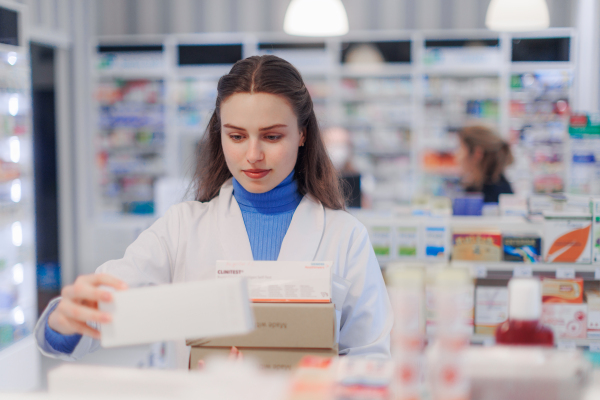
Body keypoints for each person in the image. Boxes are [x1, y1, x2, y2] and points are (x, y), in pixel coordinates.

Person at [34, 55, 393, 368]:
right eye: (237, 136)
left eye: (271, 136)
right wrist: (65, 319)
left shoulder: (344, 235)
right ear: (219, 135)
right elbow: (96, 320)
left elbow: (372, 356)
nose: (253, 155)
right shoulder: (181, 228)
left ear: (302, 134)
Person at [455, 125, 514, 203]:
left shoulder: (485, 196)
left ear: (477, 153)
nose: (457, 155)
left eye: (461, 148)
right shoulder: (499, 186)